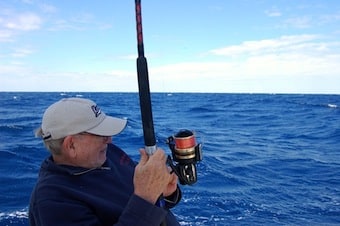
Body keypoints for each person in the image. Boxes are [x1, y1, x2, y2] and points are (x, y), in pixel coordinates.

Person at [29, 97, 181, 226]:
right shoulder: (52, 201)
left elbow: (149, 204)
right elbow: (143, 201)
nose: (109, 140)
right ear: (71, 145)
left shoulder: (108, 153)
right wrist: (147, 197)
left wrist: (165, 193)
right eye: (100, 134)